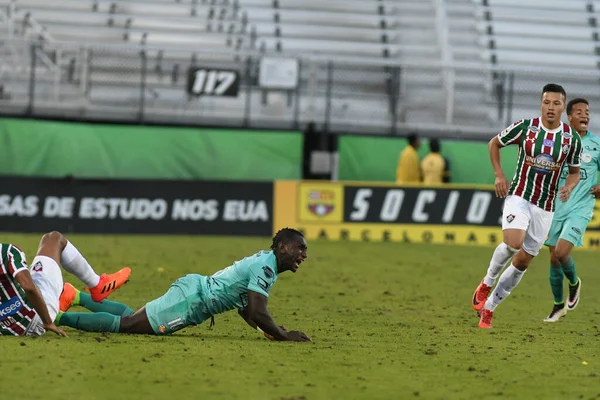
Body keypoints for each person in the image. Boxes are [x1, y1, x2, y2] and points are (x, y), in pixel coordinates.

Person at [57, 228, 312, 342]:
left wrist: (269, 331)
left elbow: (246, 309)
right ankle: (57, 318)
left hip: (193, 290)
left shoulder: (267, 264)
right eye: (300, 248)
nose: (304, 254)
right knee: (129, 327)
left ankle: (76, 296)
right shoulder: (266, 267)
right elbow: (256, 310)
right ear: (282, 247)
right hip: (191, 302)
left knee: (132, 317)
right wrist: (282, 334)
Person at [471, 83, 582, 329]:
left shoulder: (570, 139)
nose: (550, 107)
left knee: (522, 263)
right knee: (513, 242)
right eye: (546, 102)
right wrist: (499, 175)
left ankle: (489, 309)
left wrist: (570, 186)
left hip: (546, 207)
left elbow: (574, 172)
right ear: (540, 104)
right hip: (520, 196)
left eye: (556, 103)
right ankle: (487, 281)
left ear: (563, 107)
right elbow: (494, 143)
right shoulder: (526, 128)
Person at [0, 231, 130, 336]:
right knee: (53, 239)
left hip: (7, 329)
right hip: (35, 316)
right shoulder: (6, 252)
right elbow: (28, 286)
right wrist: (47, 322)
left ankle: (66, 296)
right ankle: (97, 285)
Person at [543, 98, 600, 322]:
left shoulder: (596, 144)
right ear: (569, 117)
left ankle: (575, 283)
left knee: (562, 252)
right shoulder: (559, 140)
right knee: (553, 258)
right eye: (579, 112)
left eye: (587, 112)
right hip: (557, 205)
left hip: (581, 207)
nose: (585, 115)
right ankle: (558, 306)